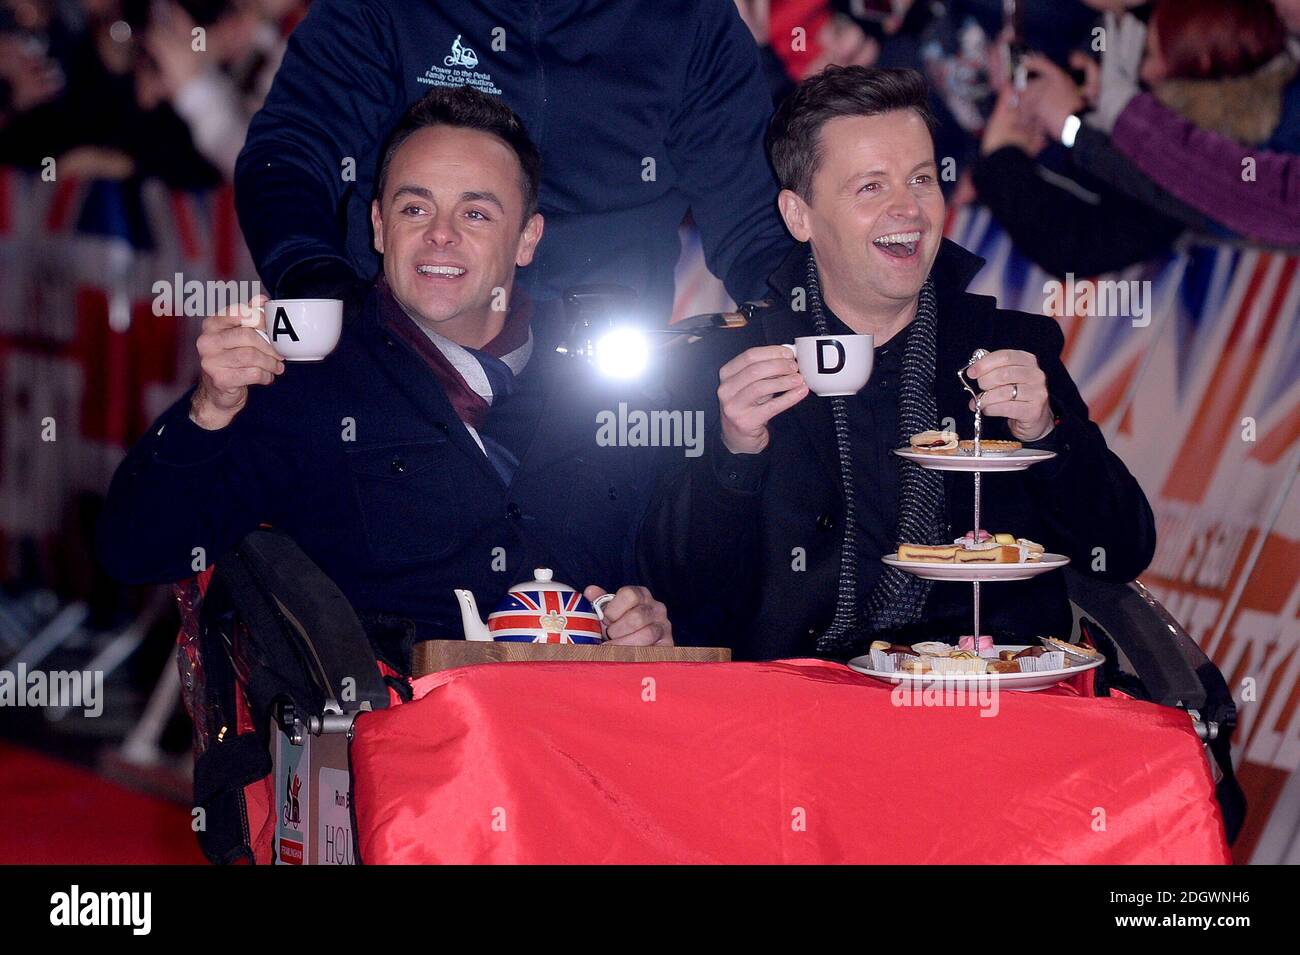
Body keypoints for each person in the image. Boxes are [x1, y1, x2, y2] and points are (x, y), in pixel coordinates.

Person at [98, 86, 675, 674]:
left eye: (475, 213)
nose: (441, 235)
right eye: (415, 208)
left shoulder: (603, 377)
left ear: (528, 238)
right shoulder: (308, 376)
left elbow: (678, 579)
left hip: (583, 729)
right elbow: (136, 549)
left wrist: (647, 617)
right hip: (386, 741)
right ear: (378, 226)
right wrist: (209, 410)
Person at [638, 66, 1156, 660]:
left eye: (921, 179)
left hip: (993, 708)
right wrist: (734, 455)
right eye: (871, 187)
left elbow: (1121, 551)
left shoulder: (1009, 347)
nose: (907, 209)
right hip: (801, 718)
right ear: (798, 215)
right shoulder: (733, 366)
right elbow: (682, 594)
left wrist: (1047, 436)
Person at [233, 0, 794, 323]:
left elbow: (753, 220)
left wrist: (801, 313)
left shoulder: (688, 18)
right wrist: (315, 280)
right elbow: (292, 152)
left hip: (613, 370)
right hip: (402, 346)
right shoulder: (383, 8)